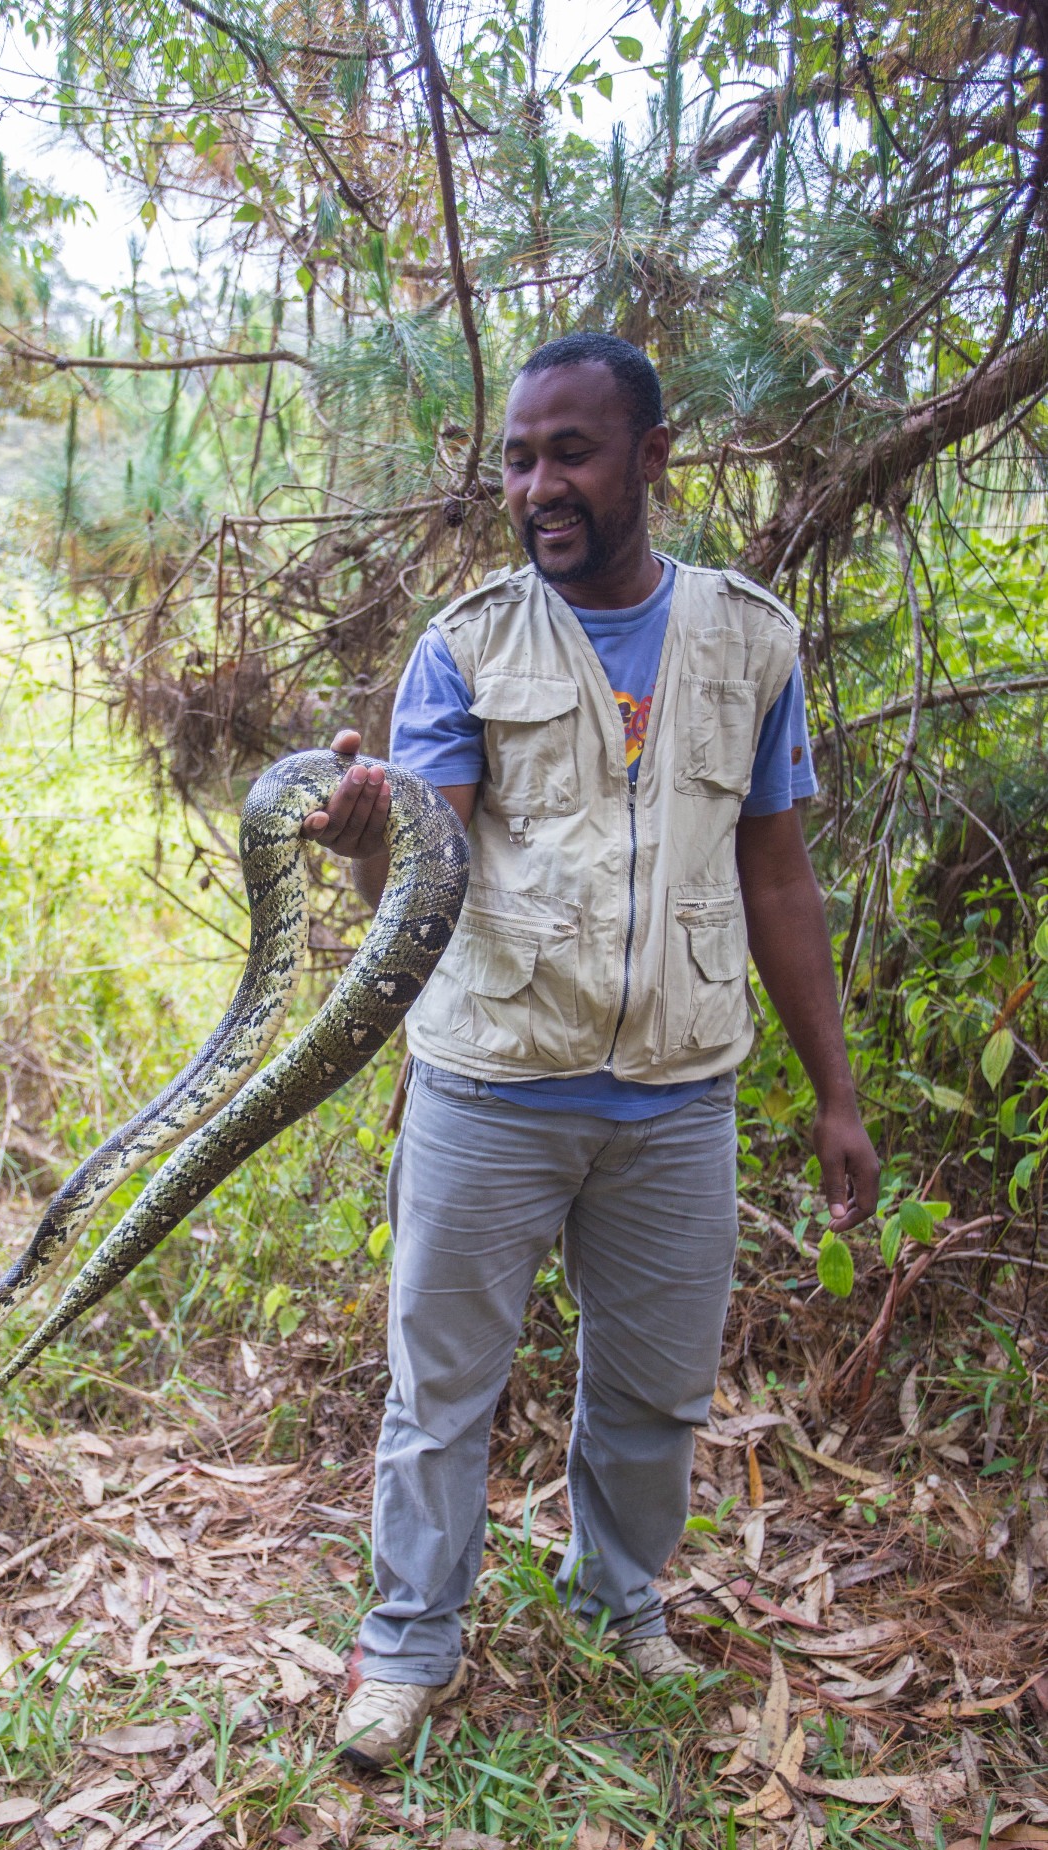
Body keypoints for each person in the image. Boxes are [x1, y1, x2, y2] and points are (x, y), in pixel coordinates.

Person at [303, 331, 880, 1769]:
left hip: (676, 1097)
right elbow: (419, 880)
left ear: (649, 459)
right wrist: (373, 841)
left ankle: (616, 1597)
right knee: (442, 1392)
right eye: (516, 457)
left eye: (569, 452)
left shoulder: (748, 642)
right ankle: (404, 1649)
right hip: (492, 1083)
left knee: (652, 1388)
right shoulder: (467, 645)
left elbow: (777, 876)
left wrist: (834, 1096)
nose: (536, 485)